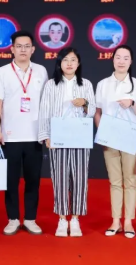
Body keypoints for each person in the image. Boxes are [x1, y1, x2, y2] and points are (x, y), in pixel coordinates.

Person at [0, 30, 48, 236]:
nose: (23, 50)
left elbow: (47, 103)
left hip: (35, 136)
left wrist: (47, 131)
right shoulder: (2, 72)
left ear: (33, 49)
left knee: (33, 180)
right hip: (10, 136)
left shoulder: (41, 71)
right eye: (19, 46)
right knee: (10, 181)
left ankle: (31, 219)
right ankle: (13, 218)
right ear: (12, 49)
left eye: (27, 46)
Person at [38, 47, 96, 237]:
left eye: (73, 60)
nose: (69, 63)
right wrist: (46, 135)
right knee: (60, 178)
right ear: (59, 63)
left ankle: (76, 219)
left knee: (80, 178)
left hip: (80, 136)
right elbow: (45, 110)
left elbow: (93, 111)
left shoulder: (86, 84)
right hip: (58, 136)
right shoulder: (51, 85)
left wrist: (85, 103)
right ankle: (62, 219)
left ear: (78, 64)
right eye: (65, 60)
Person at [94, 45, 136, 239]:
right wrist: (102, 133)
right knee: (115, 181)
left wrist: (132, 103)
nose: (121, 61)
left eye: (126, 58)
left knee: (130, 181)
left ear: (131, 61)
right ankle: (115, 220)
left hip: (130, 138)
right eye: (118, 57)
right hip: (110, 138)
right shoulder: (103, 84)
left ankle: (128, 222)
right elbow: (97, 112)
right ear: (113, 59)